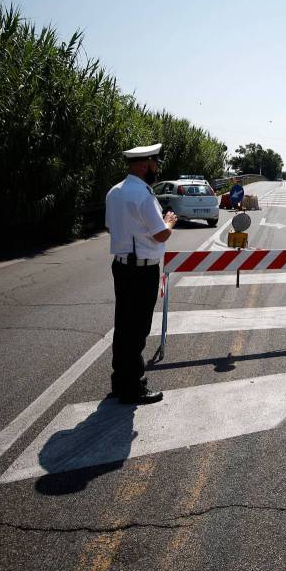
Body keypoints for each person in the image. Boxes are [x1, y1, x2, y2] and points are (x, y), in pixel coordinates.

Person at [105, 143, 177, 404]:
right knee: (137, 328)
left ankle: (120, 380)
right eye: (155, 164)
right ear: (145, 165)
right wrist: (169, 220)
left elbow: (111, 228)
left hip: (122, 266)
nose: (156, 169)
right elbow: (160, 233)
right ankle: (133, 386)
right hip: (142, 269)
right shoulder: (144, 196)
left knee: (123, 324)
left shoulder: (114, 192)